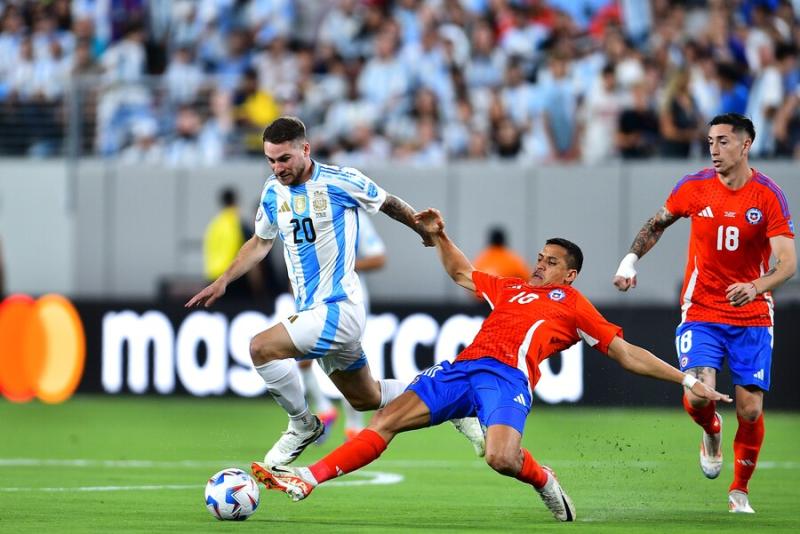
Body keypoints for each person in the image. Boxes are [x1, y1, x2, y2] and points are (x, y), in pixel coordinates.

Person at [250, 209, 731, 522]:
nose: (540, 265)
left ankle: (545, 479)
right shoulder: (511, 288)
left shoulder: (572, 302)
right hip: (464, 368)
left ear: (571, 272)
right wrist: (440, 235)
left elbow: (626, 353)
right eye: (539, 258)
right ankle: (308, 479)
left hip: (508, 379)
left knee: (501, 458)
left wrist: (685, 377)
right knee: (385, 419)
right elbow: (462, 271)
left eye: (550, 261)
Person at [186, 117, 483, 467]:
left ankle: (302, 424)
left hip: (340, 307)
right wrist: (224, 280)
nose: (277, 168)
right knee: (366, 398)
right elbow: (260, 243)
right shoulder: (272, 192)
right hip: (314, 311)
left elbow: (387, 202)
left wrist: (422, 229)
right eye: (270, 160)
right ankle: (451, 403)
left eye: (284, 159)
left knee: (261, 348)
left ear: (305, 149)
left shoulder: (342, 181)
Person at [613, 113, 796, 514]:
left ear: (745, 145)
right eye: (710, 141)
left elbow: (787, 263)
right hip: (702, 309)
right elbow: (658, 222)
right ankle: (711, 430)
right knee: (697, 395)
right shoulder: (695, 186)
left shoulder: (768, 195)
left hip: (752, 315)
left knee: (750, 409)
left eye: (724, 141)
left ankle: (739, 491)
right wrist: (630, 260)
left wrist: (755, 287)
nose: (714, 149)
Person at [298, 208, 388, 443]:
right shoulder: (306, 215)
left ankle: (354, 427)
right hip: (314, 298)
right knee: (302, 357)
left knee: (349, 362)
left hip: (348, 300)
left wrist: (343, 266)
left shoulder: (355, 217)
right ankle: (325, 409)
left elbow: (379, 257)